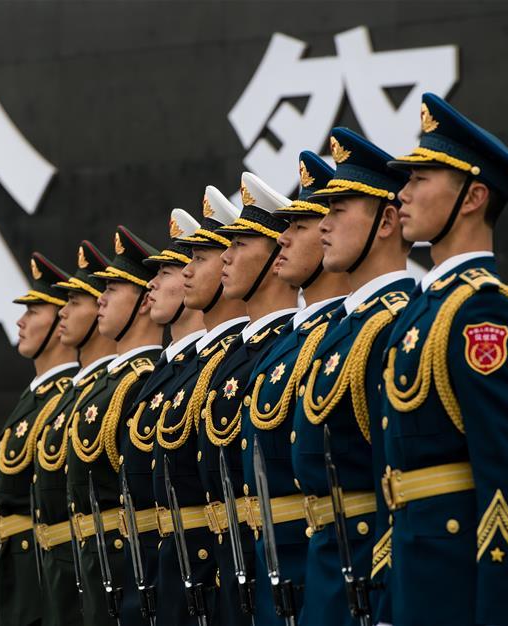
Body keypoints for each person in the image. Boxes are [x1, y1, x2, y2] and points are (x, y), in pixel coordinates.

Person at [379, 92, 508, 626]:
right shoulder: (425, 310)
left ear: (473, 196)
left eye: (420, 180)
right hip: (420, 582)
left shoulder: (483, 311)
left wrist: (502, 611)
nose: (403, 194)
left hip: (463, 589)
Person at [290, 128, 414, 626]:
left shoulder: (393, 323)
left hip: (365, 571)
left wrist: (386, 594)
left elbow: (394, 478)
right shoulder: (347, 327)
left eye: (338, 211)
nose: (324, 226)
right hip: (329, 568)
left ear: (386, 221)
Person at [239, 151, 349, 623]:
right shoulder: (291, 343)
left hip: (332, 565)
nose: (284, 239)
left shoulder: (353, 333)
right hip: (279, 567)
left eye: (300, 226)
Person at [196, 172, 300, 626]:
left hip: (291, 569)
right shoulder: (228, 361)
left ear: (276, 255)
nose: (226, 258)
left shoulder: (291, 348)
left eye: (238, 245)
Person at [152, 186, 248, 625]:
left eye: (199, 258)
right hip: (178, 571)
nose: (187, 272)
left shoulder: (237, 363)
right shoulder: (189, 369)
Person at [66, 226, 165, 626]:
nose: (100, 299)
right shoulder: (109, 382)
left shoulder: (139, 380)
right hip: (95, 563)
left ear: (144, 302)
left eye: (113, 289)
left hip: (126, 563)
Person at [119, 209, 207, 625]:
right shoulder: (160, 376)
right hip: (159, 570)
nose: (150, 284)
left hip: (203, 571)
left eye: (168, 271)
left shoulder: (206, 369)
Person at [34, 240, 117, 626]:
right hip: (66, 567)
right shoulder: (73, 395)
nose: (62, 313)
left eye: (75, 302)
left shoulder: (123, 385)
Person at [0, 252, 80, 626]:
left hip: (44, 567)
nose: (21, 321)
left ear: (61, 321)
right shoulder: (38, 396)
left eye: (34, 312)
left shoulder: (64, 398)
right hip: (21, 565)